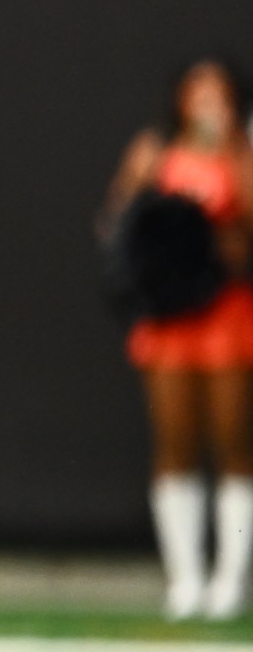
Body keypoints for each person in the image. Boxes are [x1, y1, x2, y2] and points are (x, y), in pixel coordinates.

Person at [101, 60, 253, 620]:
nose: (209, 100)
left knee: (235, 444)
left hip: (227, 313)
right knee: (175, 444)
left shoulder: (242, 154)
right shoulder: (157, 153)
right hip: (170, 318)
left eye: (220, 90)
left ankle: (231, 577)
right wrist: (137, 186)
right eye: (198, 89)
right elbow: (118, 225)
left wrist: (236, 153)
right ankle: (185, 576)